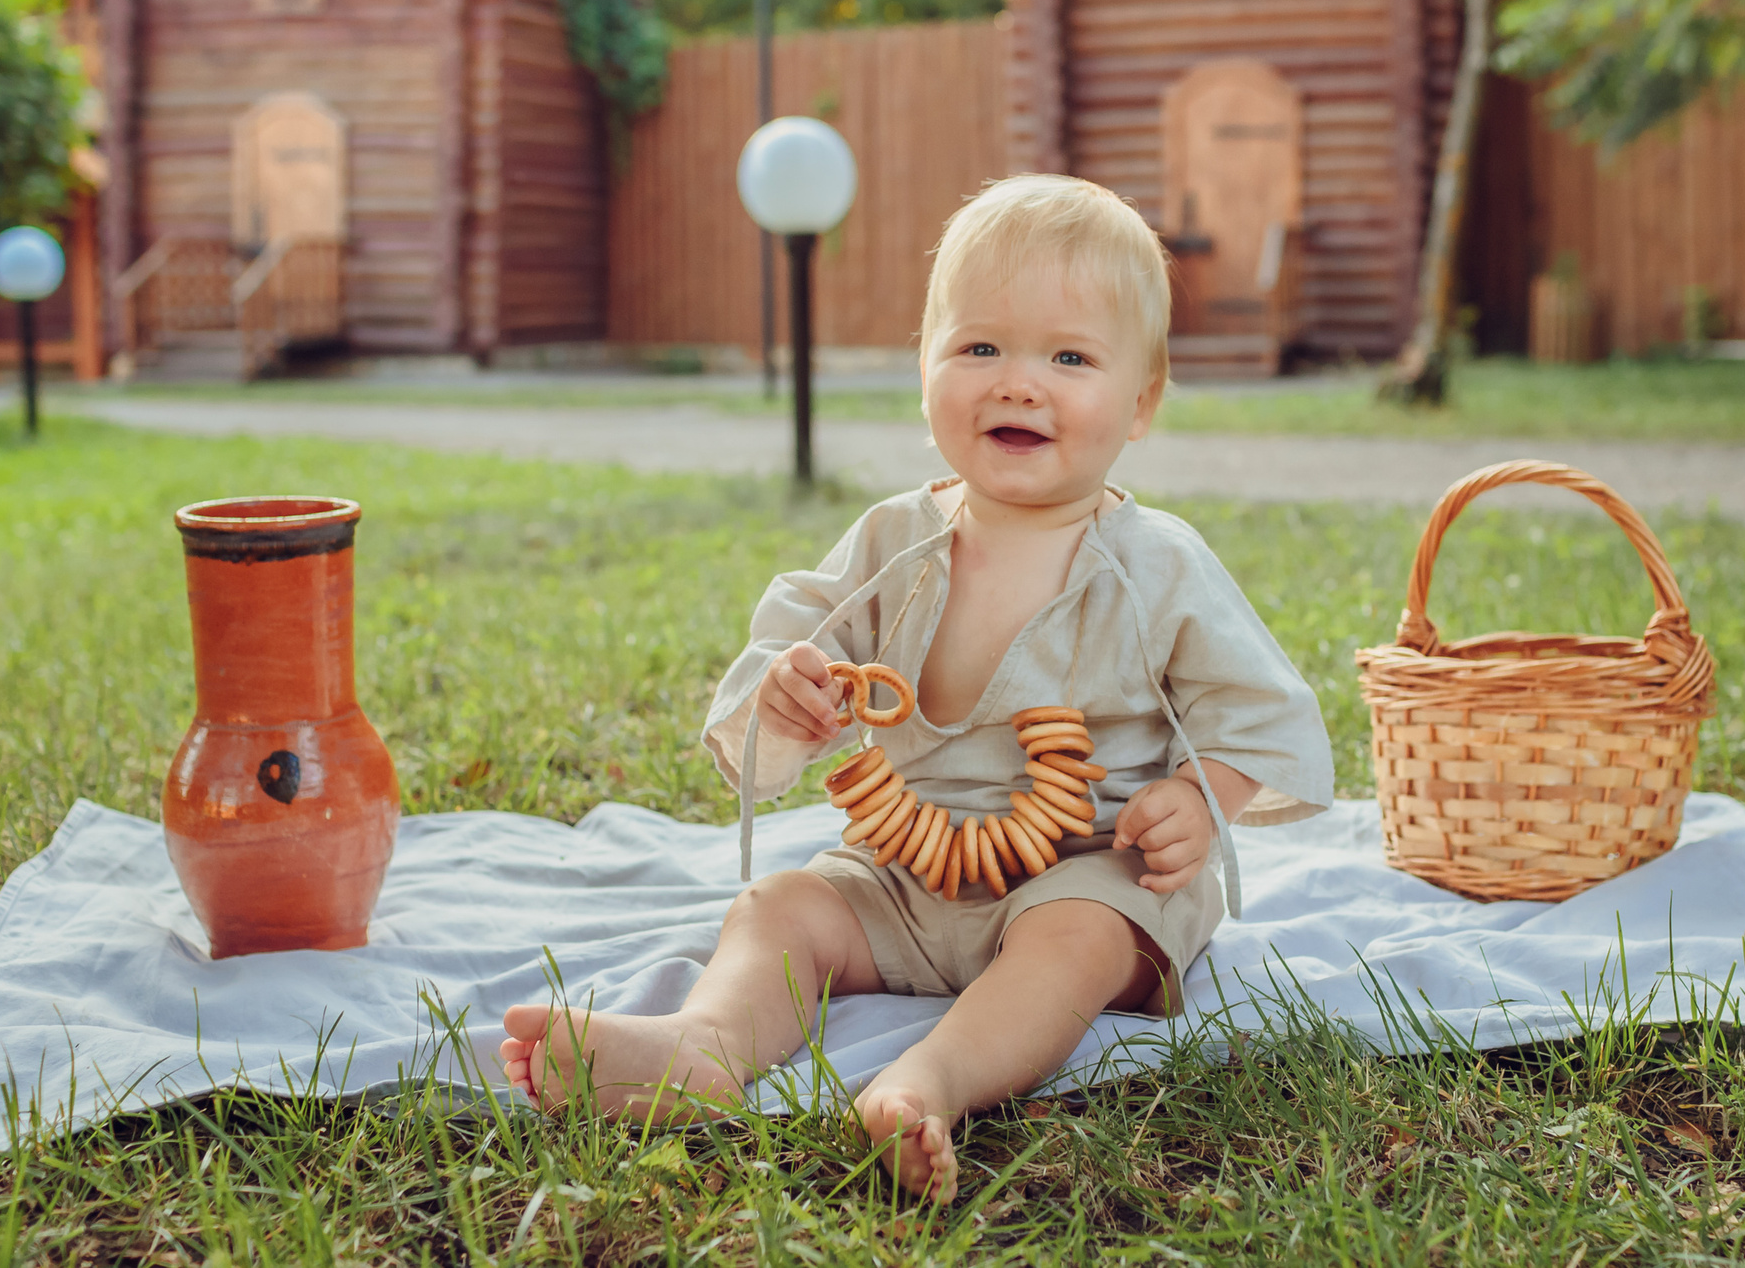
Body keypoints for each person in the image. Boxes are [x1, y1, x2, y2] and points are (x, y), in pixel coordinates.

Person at [499, 173, 1334, 1199]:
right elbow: (791, 640)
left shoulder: (1155, 563)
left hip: (1083, 865)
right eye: (979, 347)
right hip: (899, 872)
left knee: (1074, 942)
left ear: (1142, 401)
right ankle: (705, 1043)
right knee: (782, 904)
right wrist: (786, 695)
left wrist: (1202, 802)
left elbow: (1260, 708)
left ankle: (929, 1079)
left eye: (1068, 357)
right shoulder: (894, 543)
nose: (1017, 383)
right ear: (924, 370)